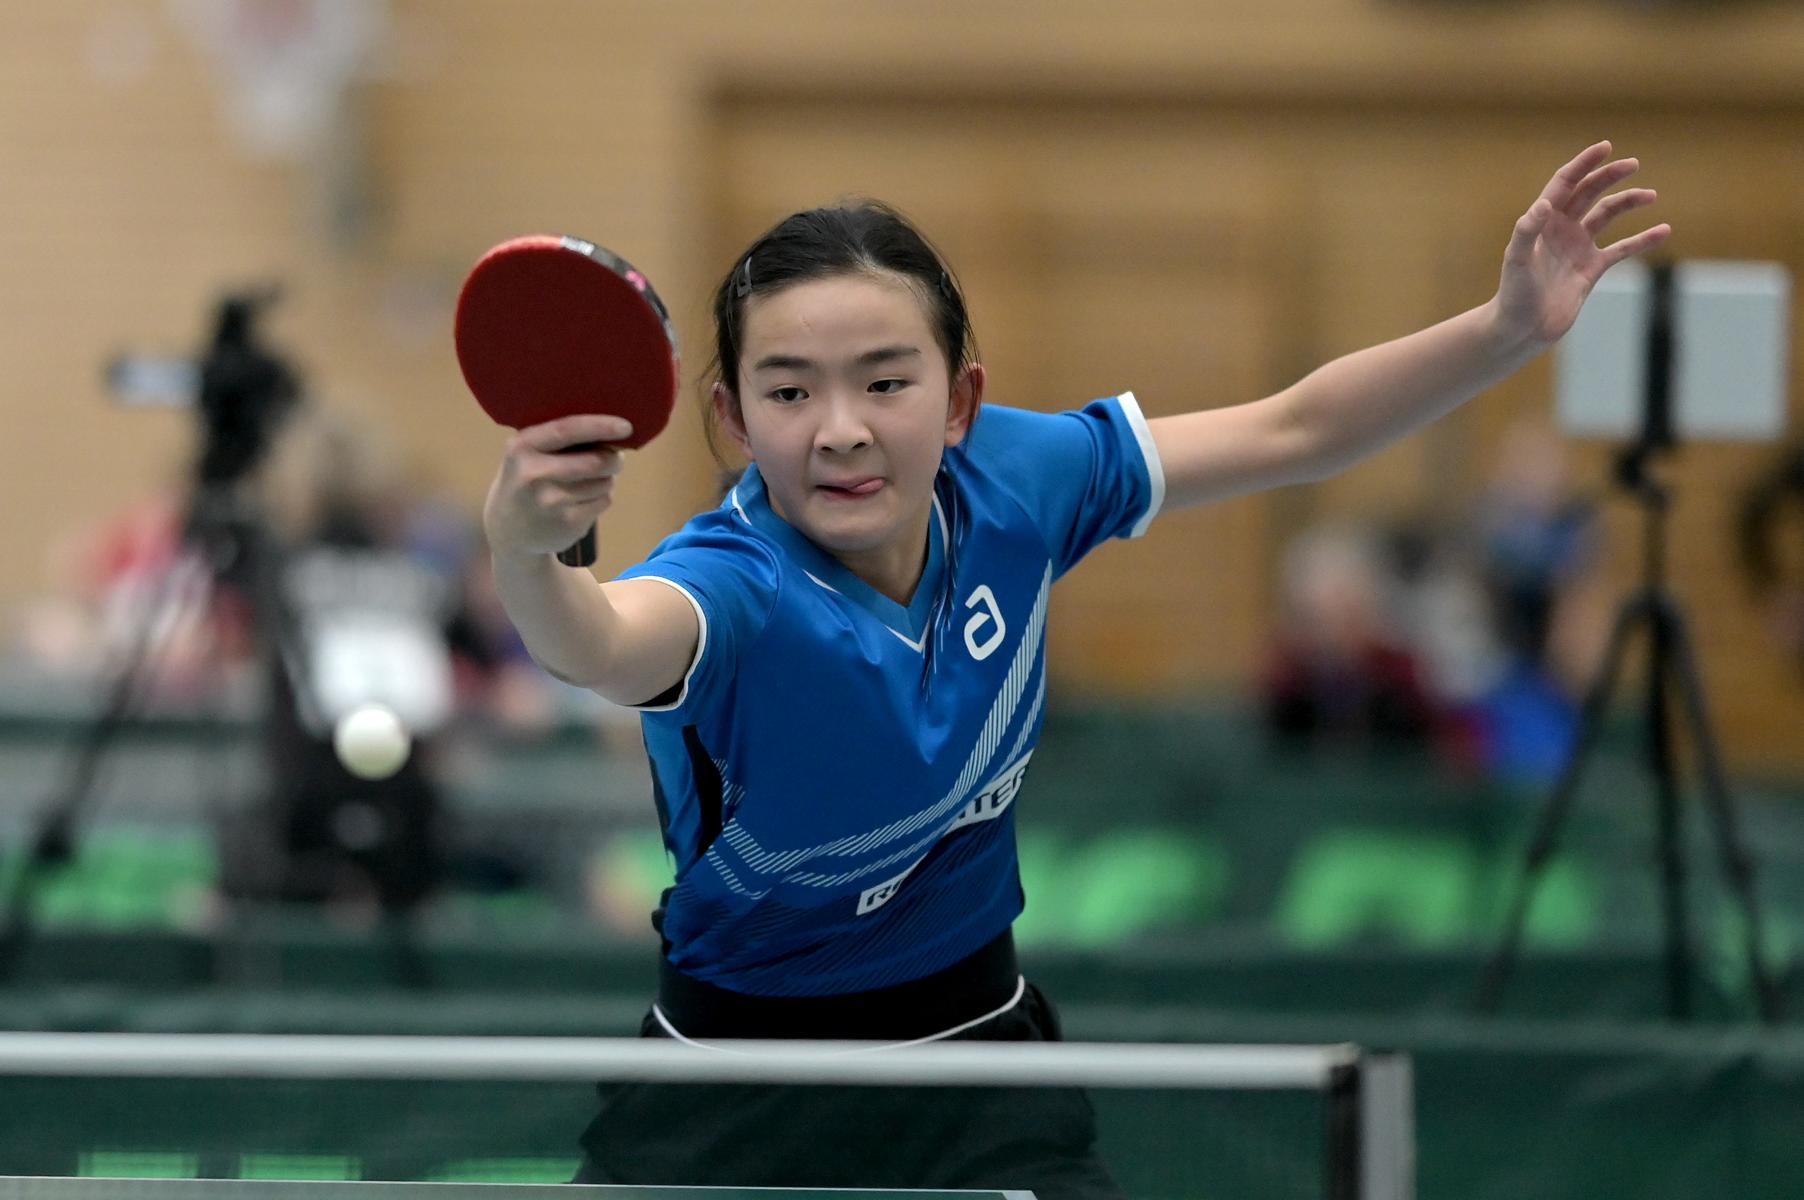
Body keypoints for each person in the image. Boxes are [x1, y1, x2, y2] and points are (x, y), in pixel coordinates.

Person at [480, 142, 1667, 1197]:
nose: (840, 427)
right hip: (730, 1089)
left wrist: (1504, 330)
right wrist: (528, 552)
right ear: (735, 419)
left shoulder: (1018, 482)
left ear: (961, 399)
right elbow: (593, 640)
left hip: (972, 1062)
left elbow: (1296, 429)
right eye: (789, 391)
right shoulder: (732, 586)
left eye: (885, 381)